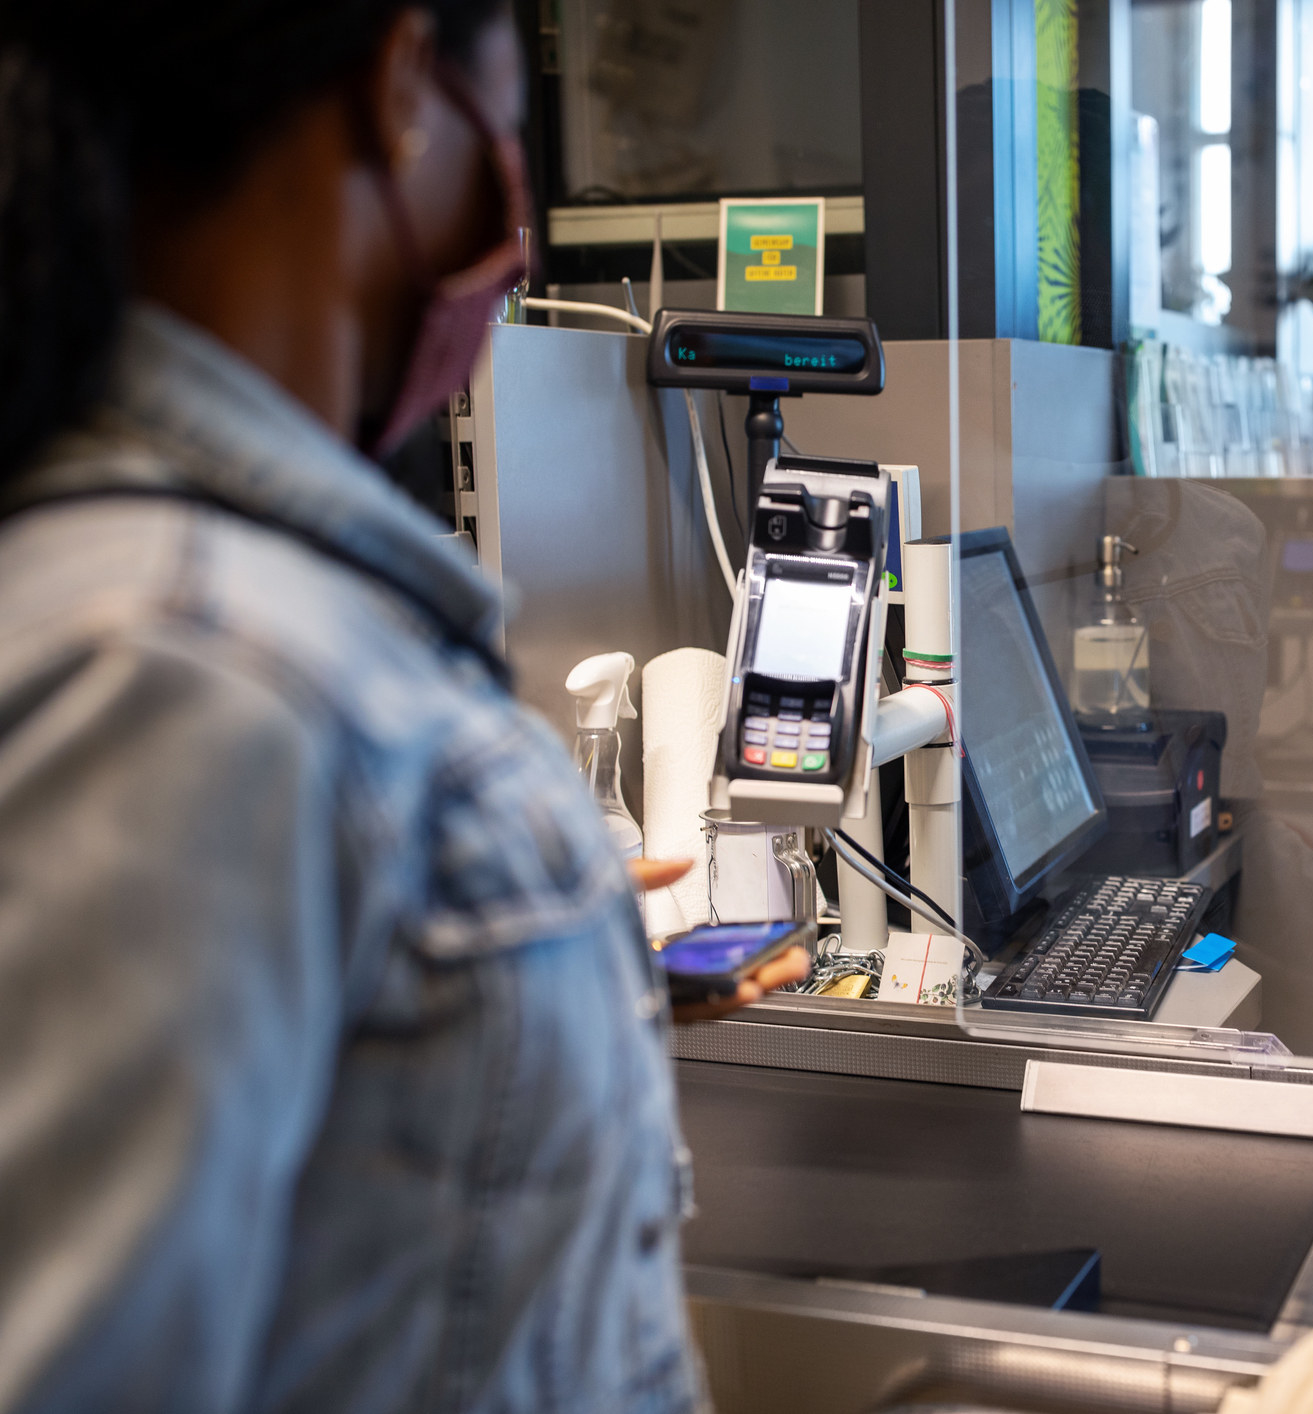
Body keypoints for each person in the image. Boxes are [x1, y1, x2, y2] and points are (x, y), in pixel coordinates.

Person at [0, 5, 803, 1409]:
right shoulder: (177, 664)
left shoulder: (220, 627)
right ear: (398, 91)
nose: (523, 223)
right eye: (508, 120)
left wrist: (526, 979)